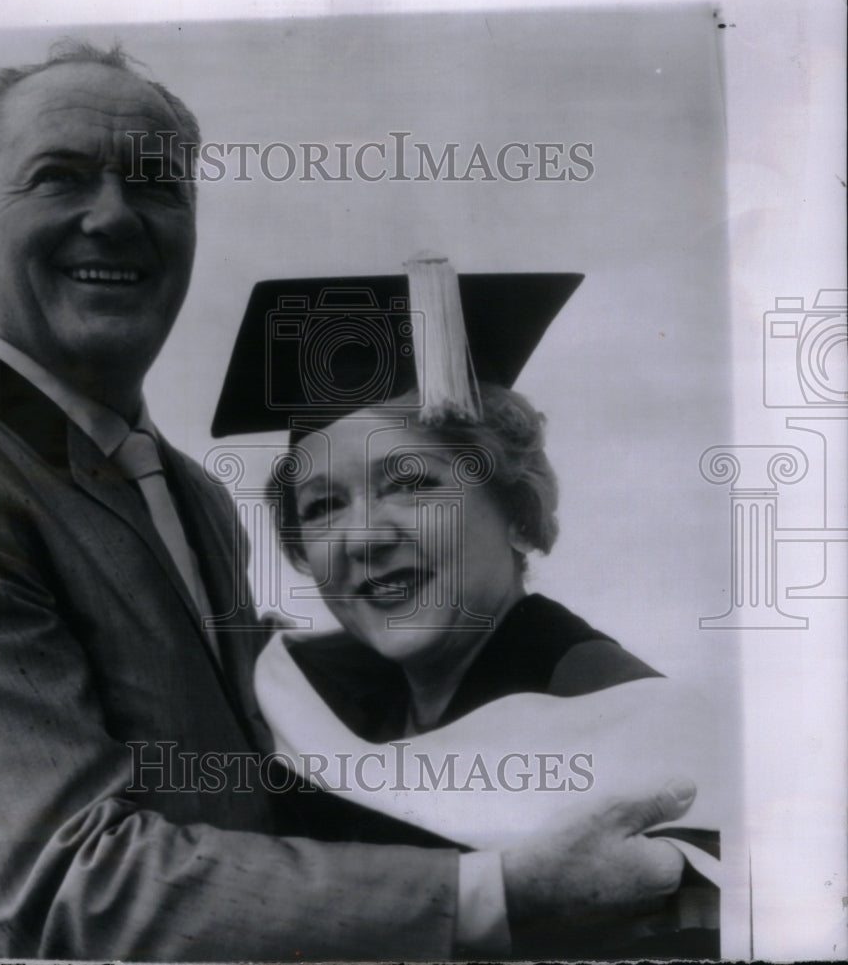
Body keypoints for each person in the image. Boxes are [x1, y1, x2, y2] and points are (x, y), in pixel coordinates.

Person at [0, 41, 701, 961]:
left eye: (157, 184)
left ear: (517, 505)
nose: (113, 216)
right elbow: (54, 884)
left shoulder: (186, 493)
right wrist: (495, 896)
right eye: (58, 176)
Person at [212, 257, 722, 957]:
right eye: (324, 506)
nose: (362, 536)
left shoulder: (616, 716)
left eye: (412, 483)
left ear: (516, 512)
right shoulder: (317, 709)